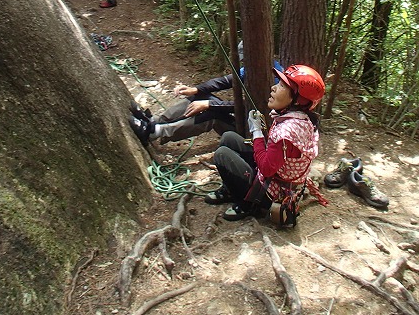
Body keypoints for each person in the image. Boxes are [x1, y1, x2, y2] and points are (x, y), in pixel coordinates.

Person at [204, 64, 326, 222]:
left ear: (297, 100)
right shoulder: (301, 119)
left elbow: (267, 169)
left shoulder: (287, 132)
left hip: (272, 192)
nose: (274, 88)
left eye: (282, 86)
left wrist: (257, 132)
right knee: (229, 138)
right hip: (276, 175)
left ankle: (248, 204)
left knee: (222, 155)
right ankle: (230, 189)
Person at [128, 42, 283, 146]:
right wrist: (195, 90)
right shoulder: (252, 69)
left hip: (254, 134)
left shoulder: (274, 80)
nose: (244, 63)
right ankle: (155, 122)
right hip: (246, 120)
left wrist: (209, 104)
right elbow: (224, 81)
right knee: (200, 97)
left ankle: (154, 133)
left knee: (212, 115)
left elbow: (246, 106)